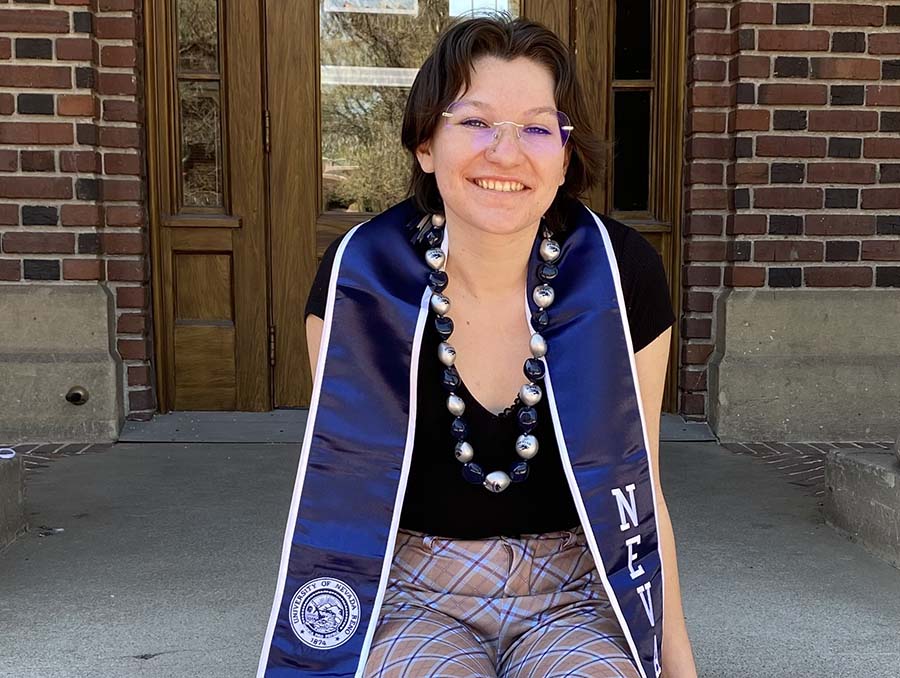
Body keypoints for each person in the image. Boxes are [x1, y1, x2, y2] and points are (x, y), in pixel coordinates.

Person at [258, 13, 697, 678]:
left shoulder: (619, 272)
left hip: (575, 593)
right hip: (414, 595)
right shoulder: (361, 281)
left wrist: (678, 667)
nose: (506, 150)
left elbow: (642, 493)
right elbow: (345, 494)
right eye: (474, 121)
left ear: (565, 153)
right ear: (425, 145)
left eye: (537, 126)